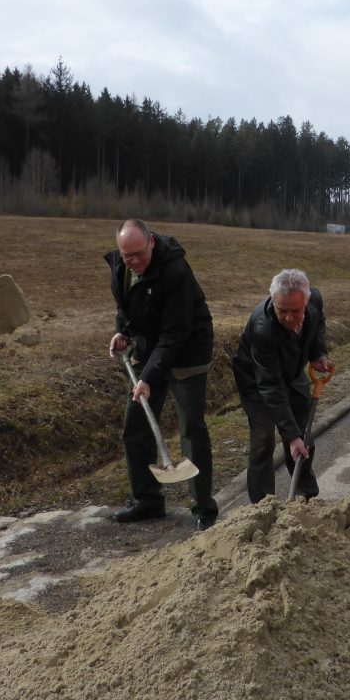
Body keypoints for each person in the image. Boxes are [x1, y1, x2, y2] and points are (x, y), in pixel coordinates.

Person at [105, 217, 219, 530]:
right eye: (127, 255)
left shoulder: (176, 271)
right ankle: (148, 500)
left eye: (138, 254)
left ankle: (203, 510)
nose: (133, 261)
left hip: (187, 349)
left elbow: (175, 334)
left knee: (191, 429)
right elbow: (125, 309)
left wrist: (148, 377)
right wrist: (123, 333)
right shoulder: (122, 265)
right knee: (136, 425)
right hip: (149, 347)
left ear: (152, 241)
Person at [231, 269, 332, 505]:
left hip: (292, 372)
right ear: (273, 302)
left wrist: (318, 352)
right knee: (264, 439)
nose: (288, 317)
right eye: (282, 311)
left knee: (304, 438)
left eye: (295, 311)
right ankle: (263, 505)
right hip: (257, 382)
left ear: (306, 302)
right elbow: (270, 386)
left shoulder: (314, 300)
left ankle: (305, 497)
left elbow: (318, 324)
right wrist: (290, 435)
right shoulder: (262, 327)